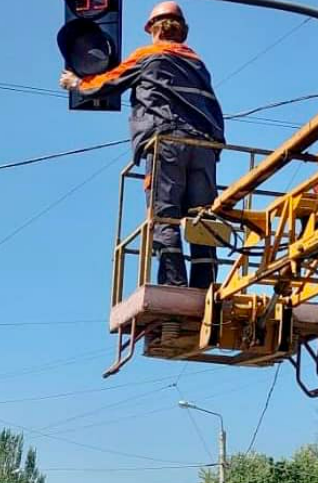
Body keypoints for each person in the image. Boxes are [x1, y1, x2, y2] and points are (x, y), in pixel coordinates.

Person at [60, 1, 226, 289]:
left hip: (167, 142)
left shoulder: (149, 55)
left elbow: (110, 81)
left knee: (166, 216)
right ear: (182, 31)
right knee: (202, 219)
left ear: (154, 30)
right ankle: (206, 286)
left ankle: (173, 285)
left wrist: (78, 84)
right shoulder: (198, 63)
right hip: (205, 148)